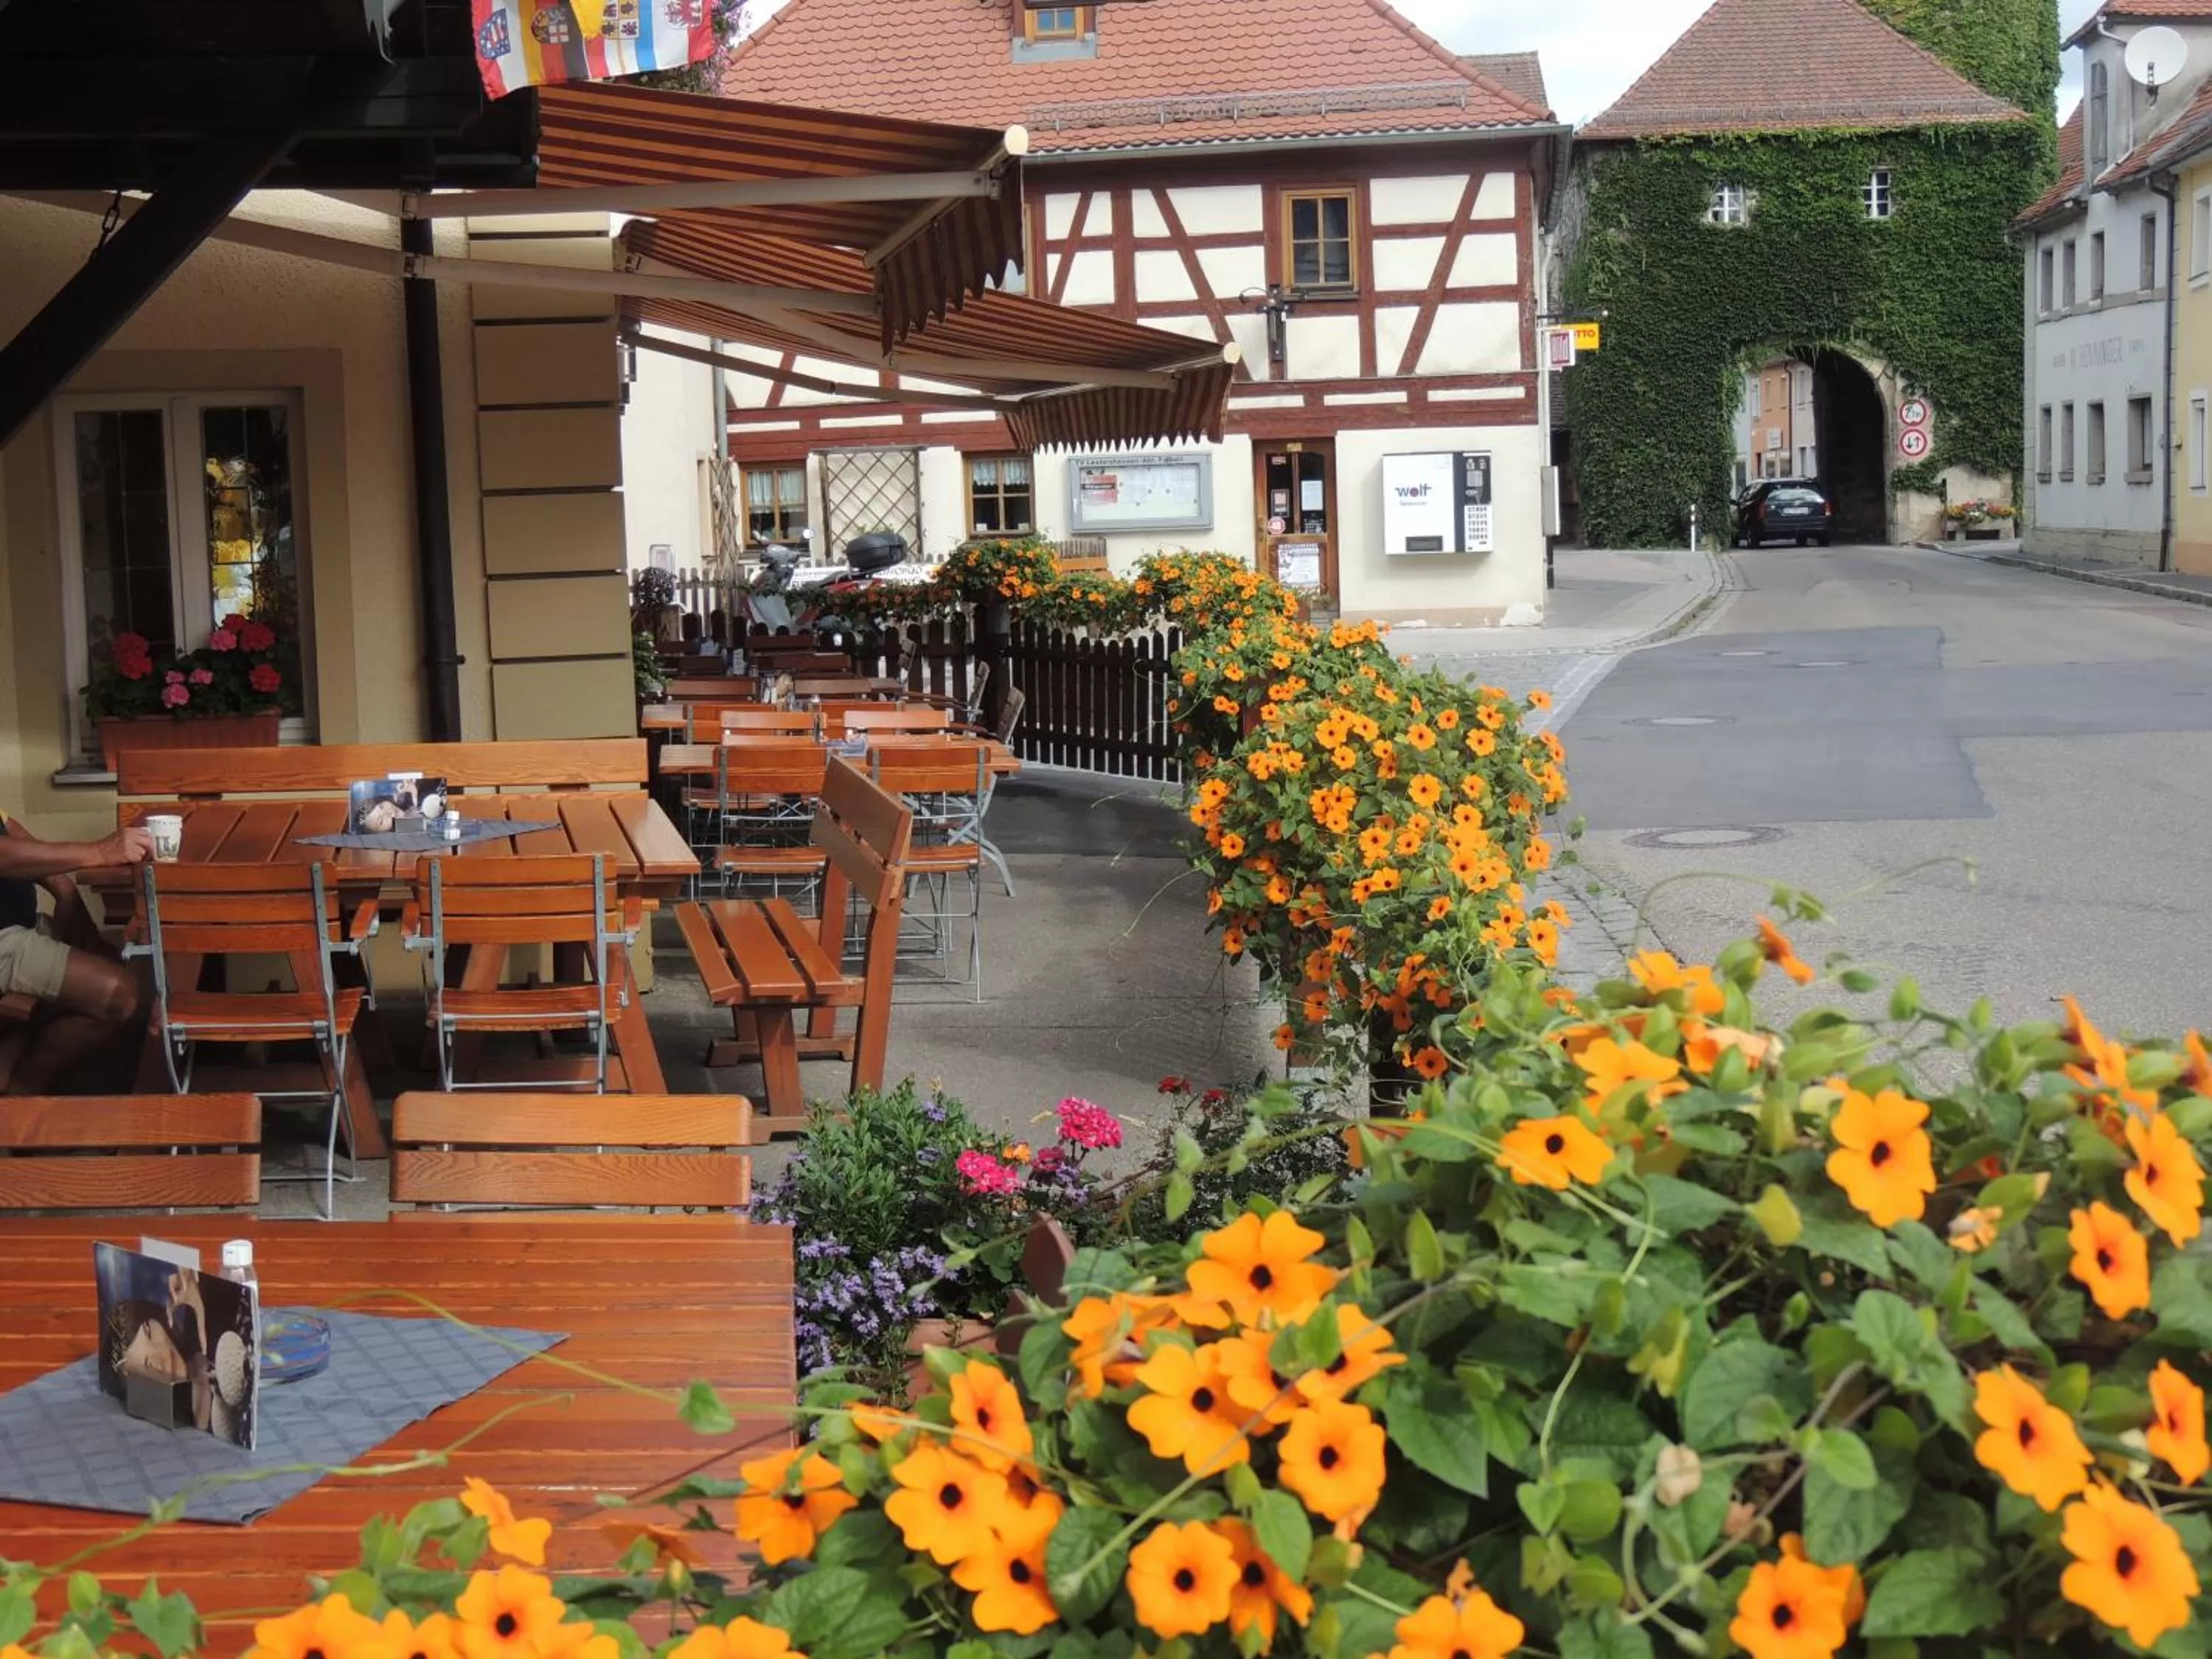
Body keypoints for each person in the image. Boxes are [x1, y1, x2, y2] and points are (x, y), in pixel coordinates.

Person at [0, 810, 150, 1093]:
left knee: (115, 963)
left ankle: (12, 1055)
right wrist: (100, 851)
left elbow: (7, 826)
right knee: (119, 994)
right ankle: (20, 1096)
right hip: (5, 941)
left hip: (20, 929)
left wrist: (61, 884)